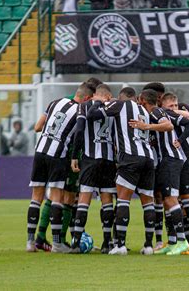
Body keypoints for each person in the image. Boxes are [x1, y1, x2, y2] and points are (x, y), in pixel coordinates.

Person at [86, 90, 173, 256]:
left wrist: (98, 101)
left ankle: (120, 245)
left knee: (123, 200)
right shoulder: (145, 112)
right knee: (148, 202)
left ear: (121, 98)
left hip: (130, 158)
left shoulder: (120, 105)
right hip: (148, 159)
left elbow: (92, 115)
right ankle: (148, 245)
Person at [25, 83, 93, 253]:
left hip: (40, 151)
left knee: (36, 197)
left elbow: (38, 127)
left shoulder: (55, 102)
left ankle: (30, 242)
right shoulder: (80, 112)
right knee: (57, 197)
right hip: (58, 154)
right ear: (86, 98)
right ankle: (57, 244)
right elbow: (78, 134)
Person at [137, 89, 189, 256]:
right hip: (166, 160)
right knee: (166, 200)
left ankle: (182, 241)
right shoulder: (162, 111)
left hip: (171, 159)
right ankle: (173, 242)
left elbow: (168, 126)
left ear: (143, 101)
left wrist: (146, 126)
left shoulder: (155, 112)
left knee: (171, 199)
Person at [69, 84, 117, 254]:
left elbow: (80, 130)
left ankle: (75, 242)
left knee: (84, 200)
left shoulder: (85, 106)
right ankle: (106, 243)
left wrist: (75, 155)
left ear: (95, 95)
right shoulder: (114, 107)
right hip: (109, 160)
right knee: (107, 201)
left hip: (90, 159)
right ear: (108, 96)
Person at [158, 93, 189, 255]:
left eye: (175, 105)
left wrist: (181, 139)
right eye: (171, 106)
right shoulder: (163, 116)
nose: (174, 108)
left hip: (188, 159)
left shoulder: (181, 112)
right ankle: (174, 241)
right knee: (173, 201)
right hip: (178, 161)